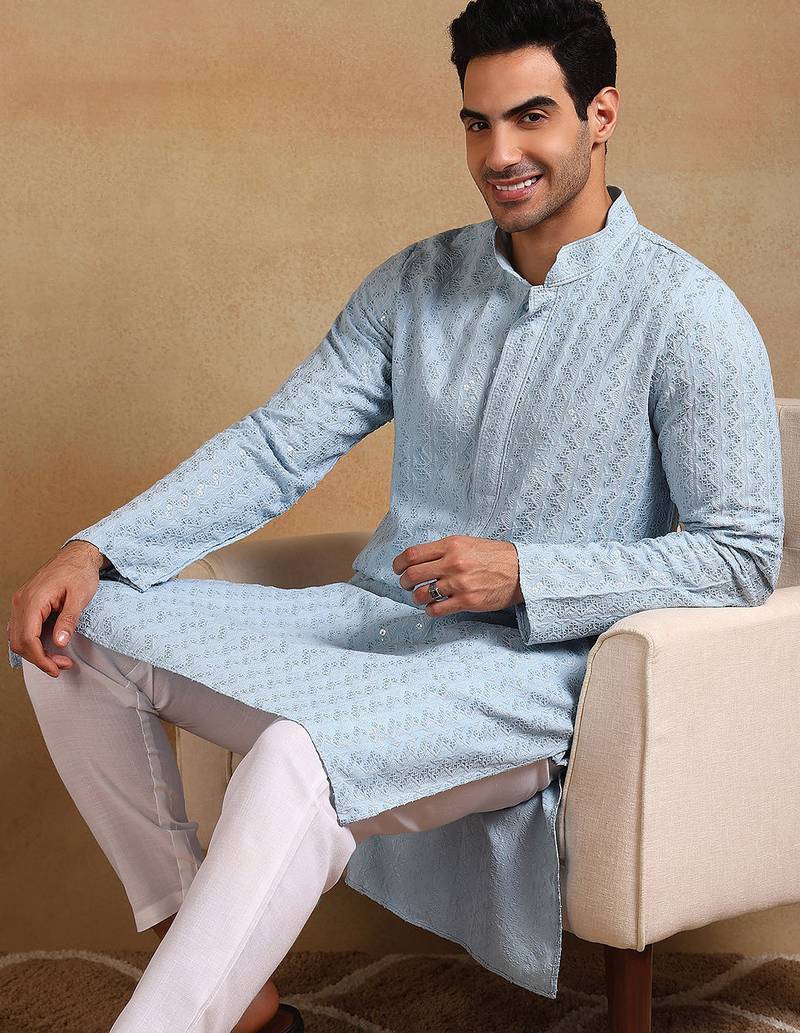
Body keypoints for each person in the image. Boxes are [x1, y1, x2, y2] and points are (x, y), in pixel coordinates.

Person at [8, 0, 784, 1028]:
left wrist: (527, 574)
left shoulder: (688, 315)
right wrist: (96, 547)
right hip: (373, 626)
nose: (498, 154)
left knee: (296, 753)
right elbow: (277, 444)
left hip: (531, 672)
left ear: (600, 115)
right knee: (69, 631)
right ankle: (237, 1000)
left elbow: (738, 555)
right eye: (476, 122)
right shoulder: (417, 282)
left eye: (531, 117)